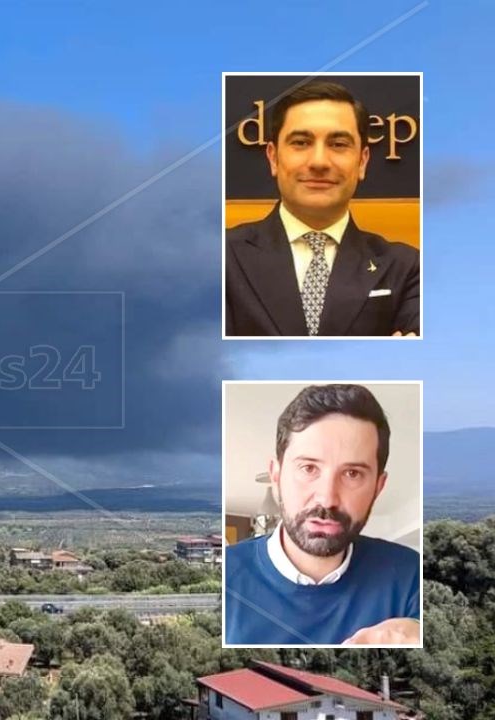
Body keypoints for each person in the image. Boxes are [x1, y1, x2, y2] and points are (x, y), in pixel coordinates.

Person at [224, 384, 420, 645]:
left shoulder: (412, 575)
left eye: (352, 474)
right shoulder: (223, 577)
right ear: (276, 476)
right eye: (308, 468)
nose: (327, 498)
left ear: (378, 486)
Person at [225, 81, 420, 337]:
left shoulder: (407, 267)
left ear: (362, 161)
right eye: (301, 142)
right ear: (273, 157)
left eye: (338, 144)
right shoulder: (220, 257)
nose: (319, 161)